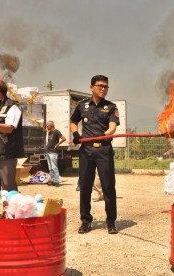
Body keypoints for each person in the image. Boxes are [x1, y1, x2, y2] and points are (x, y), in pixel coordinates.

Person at [70, 75, 120, 234]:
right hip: (86, 150)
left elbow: (113, 127)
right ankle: (85, 221)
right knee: (85, 186)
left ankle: (111, 221)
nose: (103, 89)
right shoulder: (82, 105)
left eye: (105, 86)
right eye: (100, 86)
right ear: (91, 87)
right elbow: (73, 122)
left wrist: (106, 134)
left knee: (108, 186)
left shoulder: (111, 107)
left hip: (104, 149)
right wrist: (76, 134)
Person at [46, 120, 66, 187]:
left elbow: (64, 138)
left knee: (54, 167)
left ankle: (56, 181)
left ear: (51, 126)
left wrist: (57, 144)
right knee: (50, 168)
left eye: (47, 126)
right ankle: (52, 180)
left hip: (53, 152)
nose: (47, 127)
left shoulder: (56, 132)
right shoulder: (49, 133)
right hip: (48, 152)